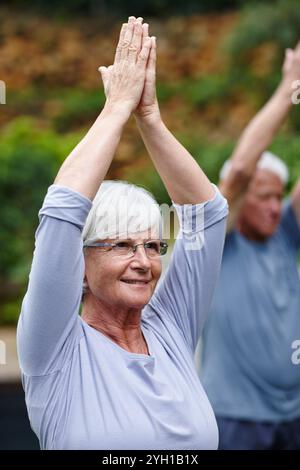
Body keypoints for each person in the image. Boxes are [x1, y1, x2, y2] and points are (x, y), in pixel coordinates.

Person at [17, 17, 228, 450]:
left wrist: (149, 117)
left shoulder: (170, 326)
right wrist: (115, 110)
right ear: (79, 263)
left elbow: (205, 215)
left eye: (152, 245)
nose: (144, 262)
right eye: (121, 245)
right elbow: (61, 216)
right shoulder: (56, 349)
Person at [200, 43, 300, 450]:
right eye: (263, 197)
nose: (275, 207)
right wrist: (289, 87)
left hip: (292, 416)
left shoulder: (285, 235)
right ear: (240, 200)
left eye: (279, 196)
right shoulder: (214, 242)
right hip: (234, 419)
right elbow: (241, 169)